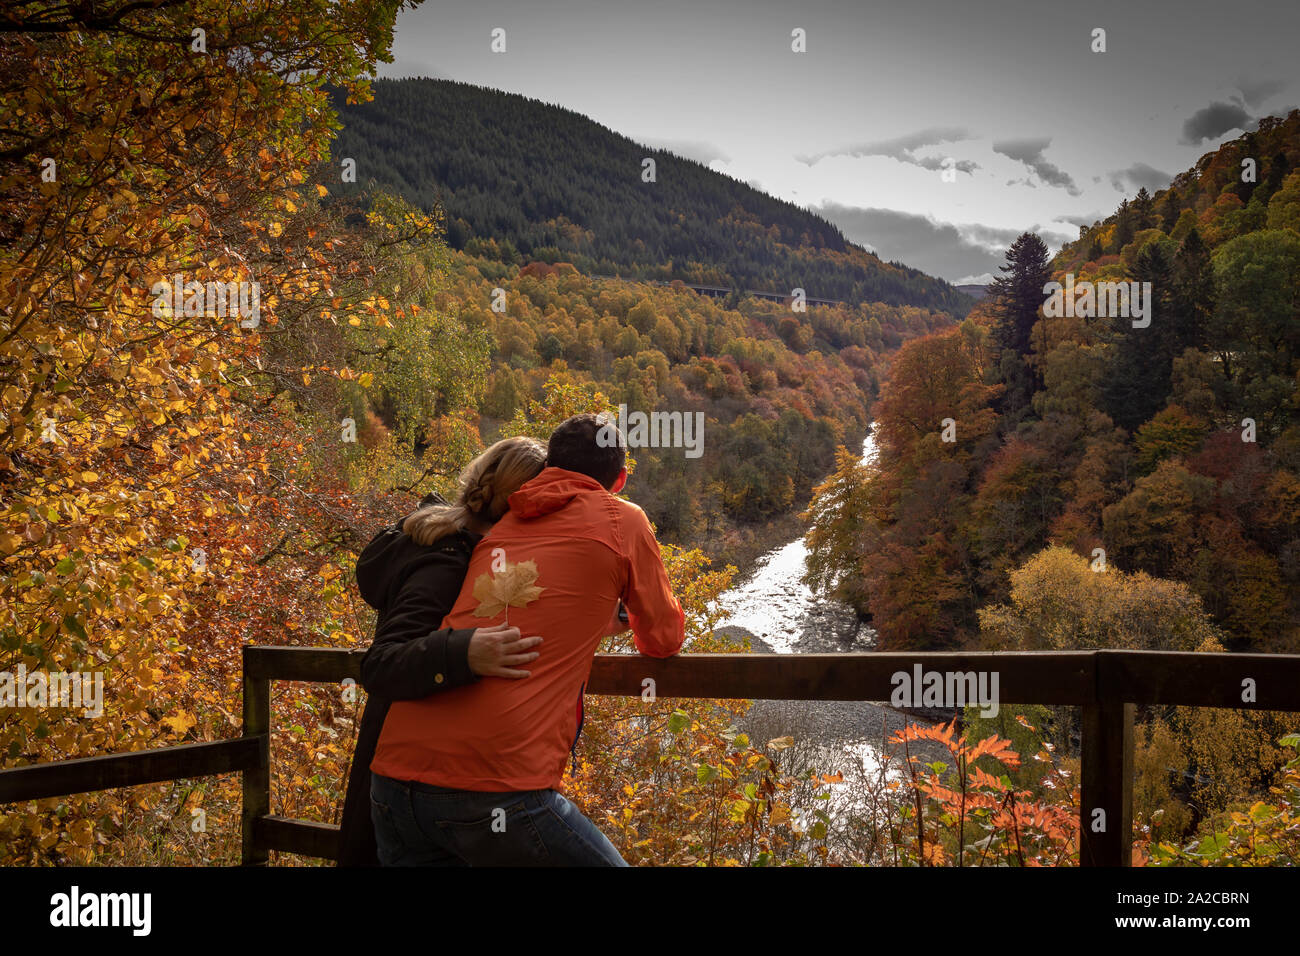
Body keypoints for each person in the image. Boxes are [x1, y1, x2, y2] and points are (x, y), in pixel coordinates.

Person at [370, 413, 686, 866]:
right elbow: (662, 639)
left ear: (549, 464)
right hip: (494, 789)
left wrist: (593, 616)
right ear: (619, 479)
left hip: (394, 785)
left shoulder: (498, 528)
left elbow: (526, 605)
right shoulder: (623, 520)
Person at [336, 436, 547, 866]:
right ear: (525, 503)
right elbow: (380, 663)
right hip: (403, 777)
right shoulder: (447, 561)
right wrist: (464, 654)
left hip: (406, 770)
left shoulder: (456, 544)